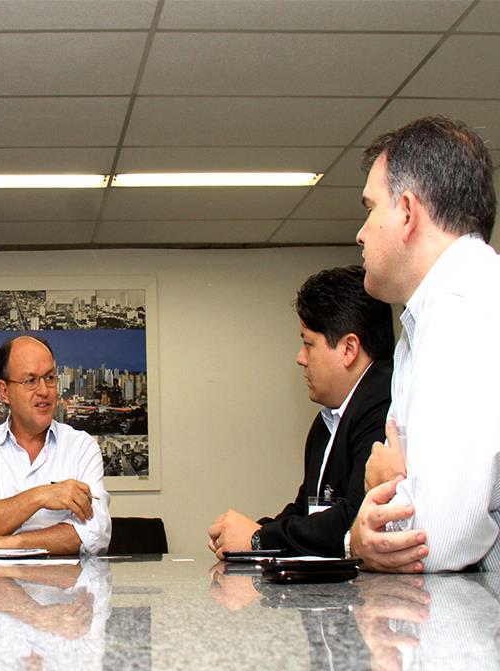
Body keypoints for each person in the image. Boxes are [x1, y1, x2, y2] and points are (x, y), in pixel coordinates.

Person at [350, 114, 500, 572]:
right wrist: (367, 530)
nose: (359, 233)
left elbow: (433, 536)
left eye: (370, 209)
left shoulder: (463, 309)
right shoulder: (428, 319)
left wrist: (382, 488)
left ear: (409, 212)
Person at [207, 266, 394, 557]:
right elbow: (307, 511)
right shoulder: (326, 422)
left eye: (308, 344)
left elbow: (354, 519)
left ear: (349, 348)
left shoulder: (385, 405)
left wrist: (259, 538)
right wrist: (248, 533)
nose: (300, 358)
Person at [0, 335, 111, 555]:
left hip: (64, 586)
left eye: (50, 378)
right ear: (5, 391)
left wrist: (11, 543)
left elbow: (95, 534)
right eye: (31, 380)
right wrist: (41, 496)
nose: (44, 390)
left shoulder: (81, 447)